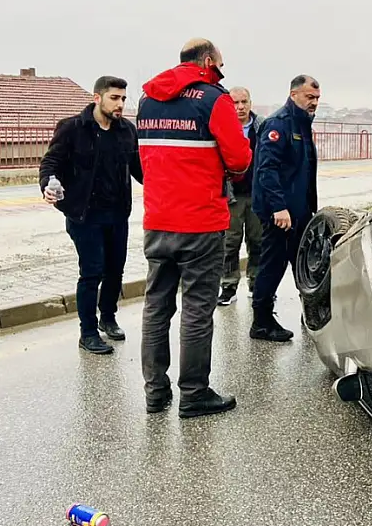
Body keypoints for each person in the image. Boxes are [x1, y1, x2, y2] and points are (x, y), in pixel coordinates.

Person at [136, 38, 252, 418]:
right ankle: (194, 394)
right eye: (219, 66)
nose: (221, 73)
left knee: (156, 307)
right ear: (206, 62)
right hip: (201, 221)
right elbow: (239, 158)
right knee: (197, 310)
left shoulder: (148, 100)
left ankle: (155, 392)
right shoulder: (213, 99)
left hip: (158, 220)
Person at [39, 76, 142, 355]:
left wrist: (165, 186)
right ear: (97, 98)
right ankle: (87, 332)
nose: (120, 104)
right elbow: (51, 162)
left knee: (115, 270)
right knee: (92, 271)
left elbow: (139, 168)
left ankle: (108, 317)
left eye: (122, 98)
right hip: (84, 215)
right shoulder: (73, 128)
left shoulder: (126, 131)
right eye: (114, 98)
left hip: (117, 213)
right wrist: (47, 185)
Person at [250, 74, 320, 342]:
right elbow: (267, 170)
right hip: (280, 214)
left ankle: (312, 313)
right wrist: (279, 208)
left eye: (316, 98)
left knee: (304, 264)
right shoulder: (278, 124)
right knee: (272, 265)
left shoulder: (303, 124)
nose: (313, 102)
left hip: (300, 211)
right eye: (309, 97)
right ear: (294, 95)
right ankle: (262, 321)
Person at [218, 86, 265, 306]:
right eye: (235, 103)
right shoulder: (223, 128)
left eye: (244, 102)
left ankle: (256, 284)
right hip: (232, 197)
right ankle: (228, 286)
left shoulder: (261, 128)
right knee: (230, 244)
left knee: (257, 241)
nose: (240, 107)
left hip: (256, 195)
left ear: (250, 103)